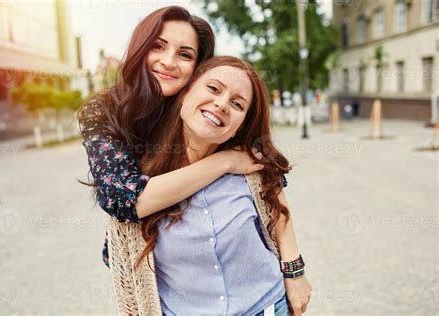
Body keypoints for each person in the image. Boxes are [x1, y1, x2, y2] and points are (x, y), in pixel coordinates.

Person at [107, 56, 312, 316]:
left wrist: (295, 274)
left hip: (267, 307)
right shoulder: (139, 179)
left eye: (237, 104)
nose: (221, 104)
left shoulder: (251, 167)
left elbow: (278, 211)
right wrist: (223, 162)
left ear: (239, 127)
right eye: (213, 89)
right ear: (184, 93)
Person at [77, 5, 264, 267]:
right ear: (141, 48)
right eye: (158, 46)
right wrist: (225, 162)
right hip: (145, 256)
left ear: (198, 67)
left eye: (185, 54)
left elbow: (267, 170)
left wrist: (293, 267)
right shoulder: (102, 110)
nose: (168, 62)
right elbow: (123, 198)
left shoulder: (204, 107)